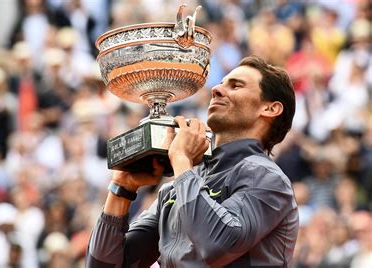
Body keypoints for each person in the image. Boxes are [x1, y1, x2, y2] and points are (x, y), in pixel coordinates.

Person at [87, 55, 299, 267]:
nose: (216, 89)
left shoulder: (267, 177)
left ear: (270, 109)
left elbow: (217, 244)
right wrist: (121, 189)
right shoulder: (174, 188)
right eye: (221, 83)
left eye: (236, 86)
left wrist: (181, 159)